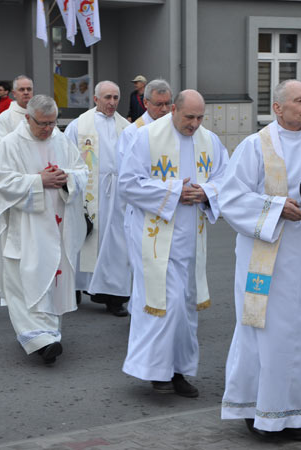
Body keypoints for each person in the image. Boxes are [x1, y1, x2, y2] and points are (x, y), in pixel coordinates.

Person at [219, 80, 301, 442]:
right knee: (267, 334)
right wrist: (275, 208)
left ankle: (295, 414)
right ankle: (259, 412)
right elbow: (231, 198)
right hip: (266, 258)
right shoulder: (254, 146)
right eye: (300, 100)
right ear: (277, 107)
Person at [119, 89, 229, 397]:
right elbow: (128, 184)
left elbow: (226, 179)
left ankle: (179, 370)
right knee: (165, 305)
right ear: (173, 111)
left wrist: (206, 192)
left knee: (185, 308)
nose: (194, 124)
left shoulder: (210, 141)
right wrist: (173, 192)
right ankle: (158, 371)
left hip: (191, 240)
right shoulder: (146, 137)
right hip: (154, 238)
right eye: (189, 117)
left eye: (200, 118)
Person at [0, 95, 88, 364]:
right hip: (26, 227)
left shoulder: (60, 140)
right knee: (25, 281)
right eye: (42, 123)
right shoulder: (11, 144)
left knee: (53, 277)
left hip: (58, 225)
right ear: (28, 118)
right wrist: (38, 181)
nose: (48, 129)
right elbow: (2, 184)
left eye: (53, 123)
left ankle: (50, 335)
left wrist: (66, 179)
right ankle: (38, 339)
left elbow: (82, 171)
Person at [90, 79, 174, 317]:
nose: (164, 109)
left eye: (168, 104)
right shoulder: (133, 132)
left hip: (167, 204)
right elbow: (128, 174)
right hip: (137, 205)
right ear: (145, 103)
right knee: (135, 258)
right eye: (158, 104)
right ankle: (130, 305)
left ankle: (165, 306)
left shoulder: (173, 128)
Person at [64, 81, 131, 316]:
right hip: (88, 191)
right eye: (107, 97)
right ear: (95, 99)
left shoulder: (127, 127)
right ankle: (74, 288)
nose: (112, 102)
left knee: (116, 245)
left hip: (117, 194)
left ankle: (114, 297)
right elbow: (66, 157)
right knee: (83, 240)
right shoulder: (78, 125)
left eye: (115, 98)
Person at [0, 75, 33, 150]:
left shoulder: (40, 115)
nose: (26, 92)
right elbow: (1, 146)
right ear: (14, 93)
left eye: (29, 89)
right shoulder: (4, 117)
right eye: (22, 89)